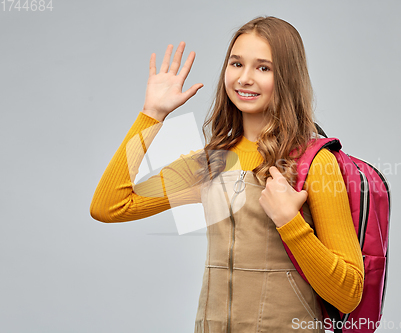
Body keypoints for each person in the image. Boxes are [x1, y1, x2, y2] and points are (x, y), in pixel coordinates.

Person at [90, 16, 364, 333]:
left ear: (287, 77)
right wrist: (152, 115)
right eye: (236, 64)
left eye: (263, 68)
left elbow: (348, 295)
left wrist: (291, 223)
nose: (244, 78)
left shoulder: (315, 162)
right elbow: (109, 206)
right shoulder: (211, 164)